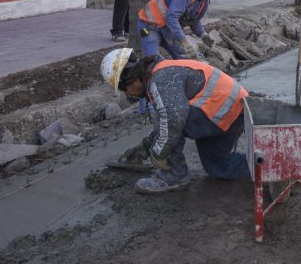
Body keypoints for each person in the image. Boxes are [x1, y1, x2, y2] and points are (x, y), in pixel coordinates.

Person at [100, 48, 251, 194]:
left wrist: (158, 153)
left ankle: (174, 176)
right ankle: (267, 165)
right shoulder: (162, 71)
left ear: (130, 80)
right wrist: (146, 146)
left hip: (220, 112)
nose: (126, 93)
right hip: (233, 113)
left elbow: (173, 120)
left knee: (167, 119)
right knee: (217, 166)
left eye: (123, 89)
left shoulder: (160, 78)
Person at [136, 0, 229, 60]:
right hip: (150, 26)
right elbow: (171, 17)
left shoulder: (204, 0)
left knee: (189, 59)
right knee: (153, 60)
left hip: (168, 30)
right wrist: (184, 41)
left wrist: (203, 35)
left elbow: (194, 21)